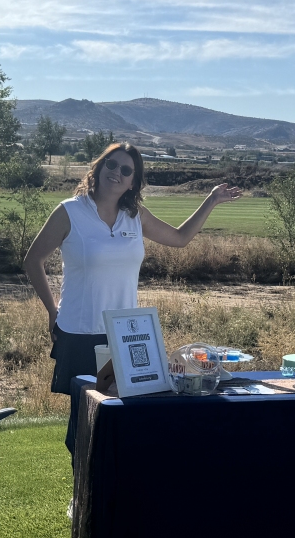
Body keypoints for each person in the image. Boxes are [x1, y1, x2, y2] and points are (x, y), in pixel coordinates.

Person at [23, 142, 243, 399]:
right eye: (111, 164)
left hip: (124, 334)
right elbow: (33, 260)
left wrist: (212, 200)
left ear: (132, 182)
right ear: (99, 168)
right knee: (83, 411)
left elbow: (180, 237)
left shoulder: (136, 215)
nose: (116, 172)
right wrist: (52, 310)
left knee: (123, 408)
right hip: (79, 331)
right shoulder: (69, 211)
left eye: (126, 170)